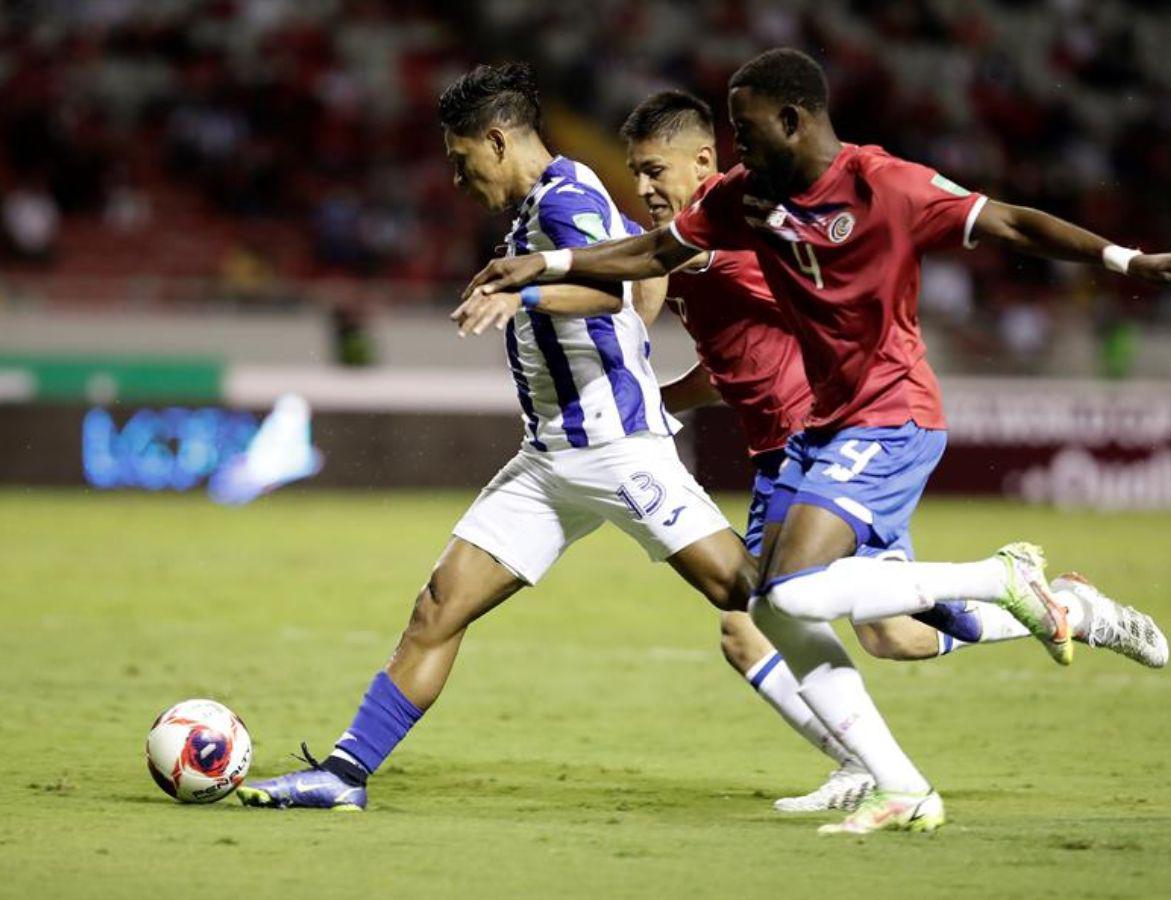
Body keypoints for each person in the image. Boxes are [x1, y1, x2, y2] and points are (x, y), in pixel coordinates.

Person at [463, 49, 1171, 834]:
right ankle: (1064, 612)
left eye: (655, 169)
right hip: (820, 438)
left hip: (839, 432)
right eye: (634, 172)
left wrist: (1126, 258)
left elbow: (1003, 220)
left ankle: (914, 712)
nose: (643, 188)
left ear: (779, 124)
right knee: (892, 633)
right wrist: (641, 369)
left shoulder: (826, 202)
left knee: (764, 616)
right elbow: (695, 308)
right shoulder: (740, 208)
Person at [237, 62, 935, 819]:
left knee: (764, 602)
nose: (457, 177)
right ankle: (346, 773)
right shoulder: (540, 206)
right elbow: (644, 267)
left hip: (614, 451)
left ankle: (954, 629)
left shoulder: (568, 196)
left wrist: (523, 290)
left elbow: (610, 289)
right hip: (547, 461)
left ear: (497, 141)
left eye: (460, 159)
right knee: (439, 605)